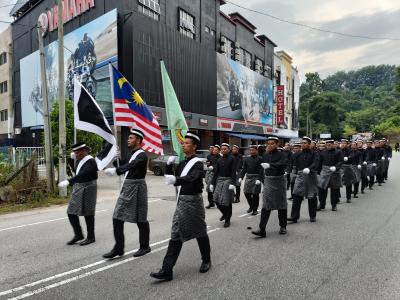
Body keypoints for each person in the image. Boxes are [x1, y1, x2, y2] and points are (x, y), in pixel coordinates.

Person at [150, 132, 211, 281]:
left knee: (200, 232)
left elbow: (192, 177)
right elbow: (171, 179)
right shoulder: (183, 163)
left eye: (187, 143)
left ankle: (206, 260)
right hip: (181, 201)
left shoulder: (197, 163)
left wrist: (176, 178)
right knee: (176, 233)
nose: (183, 145)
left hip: (194, 202)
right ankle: (167, 270)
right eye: (183, 143)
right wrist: (169, 166)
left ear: (194, 146)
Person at [103, 129, 151, 259]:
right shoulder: (132, 154)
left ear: (138, 140)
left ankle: (145, 246)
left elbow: (131, 166)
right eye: (128, 138)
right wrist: (115, 158)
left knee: (141, 218)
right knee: (117, 217)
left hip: (137, 187)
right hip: (129, 186)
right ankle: (119, 248)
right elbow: (124, 164)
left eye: (131, 138)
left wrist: (117, 170)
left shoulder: (142, 155)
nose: (128, 140)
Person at [58, 143, 98, 246]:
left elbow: (83, 174)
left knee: (88, 212)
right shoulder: (78, 160)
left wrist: (69, 181)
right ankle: (78, 234)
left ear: (84, 151)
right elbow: (76, 171)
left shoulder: (91, 161)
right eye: (75, 152)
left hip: (89, 186)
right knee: (71, 211)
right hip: (79, 186)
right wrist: (72, 160)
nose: (76, 154)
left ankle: (91, 237)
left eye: (78, 152)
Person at [252, 136, 288, 237]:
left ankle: (283, 226)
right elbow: (261, 168)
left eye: (272, 143)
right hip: (268, 180)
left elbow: (282, 164)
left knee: (281, 204)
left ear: (277, 144)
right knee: (266, 204)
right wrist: (259, 178)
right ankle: (262, 229)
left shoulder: (282, 154)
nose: (270, 145)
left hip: (279, 180)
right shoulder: (265, 154)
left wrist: (271, 165)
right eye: (268, 143)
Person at [287, 136, 319, 223]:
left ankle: (312, 216)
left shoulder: (314, 153)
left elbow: (316, 163)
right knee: (296, 195)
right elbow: (291, 164)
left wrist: (310, 168)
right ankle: (294, 216)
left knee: (311, 196)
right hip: (300, 175)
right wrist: (288, 172)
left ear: (309, 144)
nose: (303, 144)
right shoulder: (297, 154)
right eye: (302, 143)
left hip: (311, 175)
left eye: (305, 143)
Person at [210, 143, 236, 228]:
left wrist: (233, 183)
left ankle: (228, 220)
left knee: (226, 201)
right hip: (219, 180)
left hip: (228, 180)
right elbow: (216, 172)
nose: (223, 150)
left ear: (228, 149)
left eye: (225, 149)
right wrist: (212, 183)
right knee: (216, 200)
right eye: (222, 149)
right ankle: (225, 214)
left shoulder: (232, 159)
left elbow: (233, 172)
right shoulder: (219, 160)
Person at [317, 140, 343, 211]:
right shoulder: (323, 152)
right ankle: (322, 204)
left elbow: (341, 161)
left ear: (333, 145)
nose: (329, 146)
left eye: (330, 144)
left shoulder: (338, 152)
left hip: (335, 171)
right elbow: (320, 162)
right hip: (324, 171)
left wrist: (336, 167)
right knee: (322, 189)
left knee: (335, 189)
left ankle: (334, 205)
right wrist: (318, 172)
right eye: (327, 144)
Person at [240, 145, 263, 215]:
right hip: (248, 177)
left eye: (253, 150)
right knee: (246, 193)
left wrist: (259, 179)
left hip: (256, 177)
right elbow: (244, 169)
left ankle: (255, 209)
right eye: (250, 150)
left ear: (256, 150)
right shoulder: (247, 159)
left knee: (255, 194)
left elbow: (262, 170)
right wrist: (241, 177)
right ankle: (251, 206)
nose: (251, 151)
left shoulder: (260, 159)